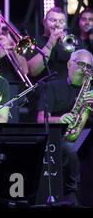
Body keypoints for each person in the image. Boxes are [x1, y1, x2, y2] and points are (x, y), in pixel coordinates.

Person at [37, 49, 93, 205]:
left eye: (89, 67)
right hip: (62, 134)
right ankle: (73, 191)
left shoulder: (92, 91)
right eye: (81, 64)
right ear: (69, 64)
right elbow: (41, 119)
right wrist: (59, 119)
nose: (85, 70)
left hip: (88, 132)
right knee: (70, 148)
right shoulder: (52, 86)